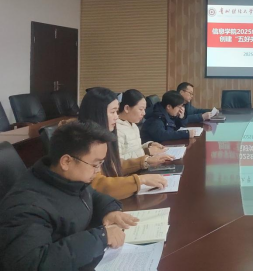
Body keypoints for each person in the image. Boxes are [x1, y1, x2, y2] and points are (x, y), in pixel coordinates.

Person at [0, 121, 139, 270]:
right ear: (66, 161)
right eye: (95, 164)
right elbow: (32, 263)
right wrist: (100, 238)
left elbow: (92, 195)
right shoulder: (26, 206)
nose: (98, 170)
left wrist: (110, 211)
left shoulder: (67, 179)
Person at [79, 88, 167, 200]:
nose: (116, 117)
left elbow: (113, 165)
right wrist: (140, 180)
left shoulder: (103, 137)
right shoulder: (84, 144)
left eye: (116, 112)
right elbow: (98, 185)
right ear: (97, 113)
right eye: (113, 112)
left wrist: (144, 161)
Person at [117, 89, 173, 162]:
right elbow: (118, 160)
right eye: (141, 109)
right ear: (127, 108)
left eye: (144, 109)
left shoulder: (133, 125)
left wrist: (149, 145)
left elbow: (135, 149)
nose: (144, 113)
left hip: (141, 164)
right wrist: (146, 152)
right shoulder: (117, 129)